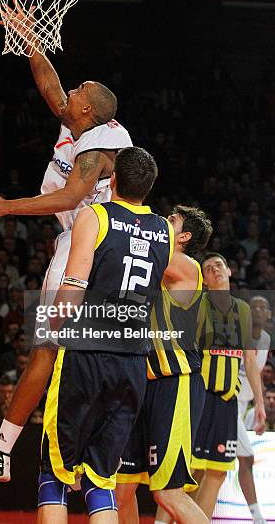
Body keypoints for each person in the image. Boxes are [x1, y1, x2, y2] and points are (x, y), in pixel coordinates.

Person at [0, 23, 132, 481]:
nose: (69, 91)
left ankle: (2, 452)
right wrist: (29, 39)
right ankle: (102, 446)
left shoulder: (98, 145)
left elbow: (70, 198)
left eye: (79, 90)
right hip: (95, 244)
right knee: (81, 351)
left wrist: (5, 206)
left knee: (47, 349)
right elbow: (51, 86)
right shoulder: (79, 121)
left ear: (88, 108)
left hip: (87, 245)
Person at [38, 146, 171, 522]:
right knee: (102, 477)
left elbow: (75, 280)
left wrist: (54, 325)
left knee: (54, 472)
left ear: (112, 181)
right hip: (131, 362)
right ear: (148, 189)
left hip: (86, 354)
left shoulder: (95, 216)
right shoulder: (164, 231)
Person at [116, 206, 212, 524]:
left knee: (167, 493)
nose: (163, 222)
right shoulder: (154, 271)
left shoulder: (186, 266)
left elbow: (134, 247)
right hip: (144, 385)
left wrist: (111, 217)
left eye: (171, 221)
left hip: (176, 381)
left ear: (183, 236)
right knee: (122, 488)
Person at [191, 253, 266, 521]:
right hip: (199, 397)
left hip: (227, 400)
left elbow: (249, 359)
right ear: (204, 278)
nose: (215, 270)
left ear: (229, 271)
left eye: (219, 265)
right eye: (208, 268)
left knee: (218, 472)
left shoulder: (242, 310)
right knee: (191, 474)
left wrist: (260, 403)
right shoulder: (198, 305)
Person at [236, 296, 271, 524]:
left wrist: (259, 404)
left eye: (263, 306)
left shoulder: (266, 339)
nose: (257, 309)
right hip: (227, 400)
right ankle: (258, 518)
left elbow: (255, 373)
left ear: (269, 315)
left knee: (210, 468)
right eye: (253, 306)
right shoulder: (237, 333)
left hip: (242, 404)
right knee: (246, 458)